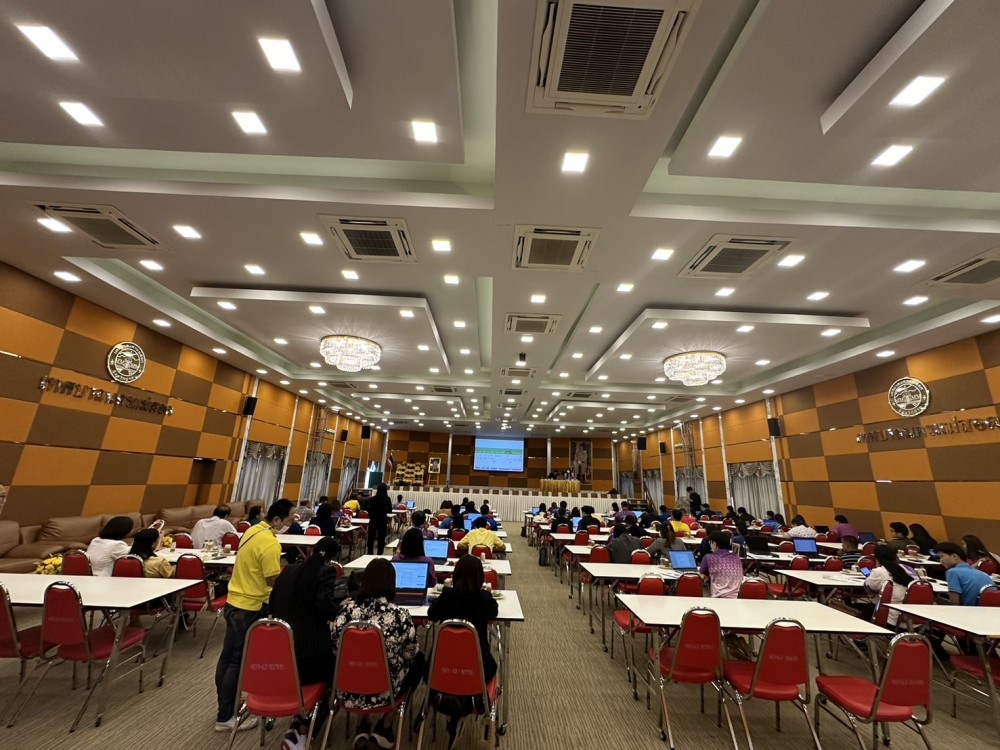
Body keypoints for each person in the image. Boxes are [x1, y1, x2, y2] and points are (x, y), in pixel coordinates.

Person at [214, 499, 293, 732]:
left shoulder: (251, 530)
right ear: (277, 519)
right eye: (289, 519)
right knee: (237, 661)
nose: (291, 523)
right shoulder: (270, 543)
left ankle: (226, 706)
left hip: (233, 600)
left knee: (227, 657)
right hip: (250, 605)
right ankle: (226, 716)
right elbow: (271, 580)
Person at [331, 558, 423, 749]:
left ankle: (361, 723)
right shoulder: (400, 616)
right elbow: (410, 654)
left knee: (359, 665)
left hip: (348, 690)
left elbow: (335, 649)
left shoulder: (345, 612)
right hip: (386, 692)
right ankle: (386, 724)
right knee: (419, 660)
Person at [269, 536, 342, 750]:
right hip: (310, 659)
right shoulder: (326, 572)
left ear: (312, 550)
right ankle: (304, 728)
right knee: (340, 678)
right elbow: (324, 605)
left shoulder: (288, 570)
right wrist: (341, 607)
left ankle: (299, 720)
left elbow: (272, 603)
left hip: (282, 656)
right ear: (331, 560)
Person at [427, 554, 500, 746]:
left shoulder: (447, 596)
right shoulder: (484, 599)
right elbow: (494, 612)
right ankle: (481, 708)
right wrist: (487, 593)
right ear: (480, 578)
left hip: (441, 668)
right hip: (478, 669)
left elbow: (431, 614)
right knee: (496, 666)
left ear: (456, 574)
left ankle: (452, 712)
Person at [860, 545, 915, 627]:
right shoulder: (905, 569)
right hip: (909, 617)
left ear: (876, 558)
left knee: (857, 609)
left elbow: (869, 588)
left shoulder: (879, 571)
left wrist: (869, 577)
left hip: (889, 617)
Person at [937, 541, 995, 606]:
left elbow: (954, 604)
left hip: (969, 610)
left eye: (941, 556)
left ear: (954, 556)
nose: (941, 561)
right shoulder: (983, 574)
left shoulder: (952, 572)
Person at [699, 532, 742, 598]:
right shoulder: (737, 558)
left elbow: (702, 574)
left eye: (710, 543)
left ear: (714, 544)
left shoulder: (708, 557)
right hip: (738, 598)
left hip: (719, 598)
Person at [366, 483, 393, 556]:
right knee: (381, 537)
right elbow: (390, 510)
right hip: (382, 519)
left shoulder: (372, 499)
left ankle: (370, 552)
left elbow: (369, 509)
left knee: (371, 536)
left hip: (373, 519)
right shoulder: (387, 499)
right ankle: (379, 553)